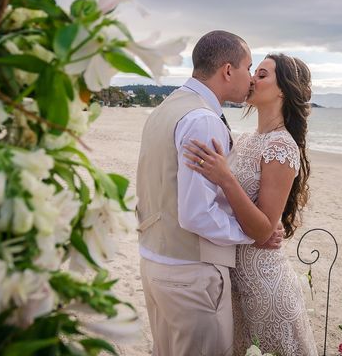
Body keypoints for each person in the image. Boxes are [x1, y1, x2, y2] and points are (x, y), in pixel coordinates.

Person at [136, 30, 282, 356]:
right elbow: (197, 213)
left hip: (154, 261)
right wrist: (253, 234)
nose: (251, 78)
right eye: (248, 67)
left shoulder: (166, 108)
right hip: (189, 274)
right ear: (228, 70)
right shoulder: (202, 119)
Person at [184, 53, 318, 355]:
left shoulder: (281, 145)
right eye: (254, 71)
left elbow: (261, 230)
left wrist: (225, 178)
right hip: (235, 283)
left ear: (282, 89)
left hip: (265, 286)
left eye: (262, 74)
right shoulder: (244, 139)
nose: (253, 79)